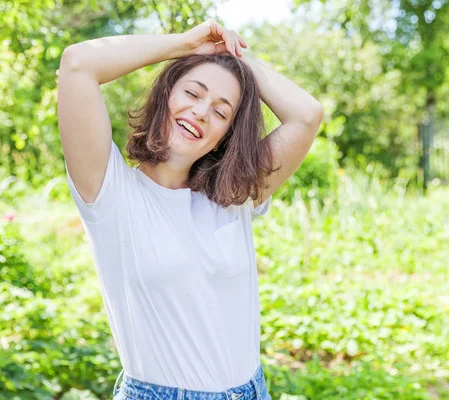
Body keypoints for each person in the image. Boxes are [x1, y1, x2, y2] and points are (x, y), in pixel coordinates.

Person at [57, 19, 323, 400]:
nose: (201, 112)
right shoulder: (111, 192)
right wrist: (182, 45)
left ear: (226, 135)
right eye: (192, 93)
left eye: (221, 111)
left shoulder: (233, 197)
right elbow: (78, 64)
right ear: (165, 94)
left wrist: (238, 61)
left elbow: (307, 114)